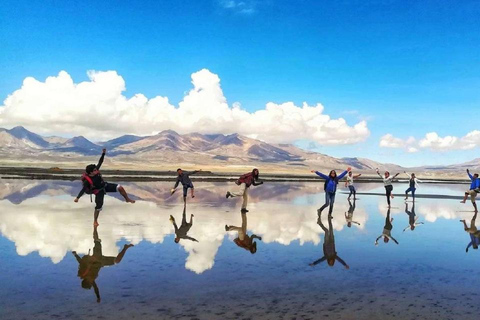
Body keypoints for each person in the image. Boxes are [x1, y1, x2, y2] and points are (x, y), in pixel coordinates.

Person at [72, 225, 134, 303]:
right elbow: (96, 288)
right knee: (117, 261)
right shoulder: (92, 280)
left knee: (97, 241)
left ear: (87, 280)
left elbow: (80, 261)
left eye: (91, 282)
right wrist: (98, 297)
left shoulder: (83, 272)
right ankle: (125, 248)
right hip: (101, 263)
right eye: (92, 283)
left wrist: (75, 254)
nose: (93, 281)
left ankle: (95, 227)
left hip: (96, 257)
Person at [74, 149, 135, 226]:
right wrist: (77, 198)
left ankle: (127, 199)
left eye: (96, 169)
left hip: (105, 186)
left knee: (120, 187)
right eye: (95, 170)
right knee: (99, 206)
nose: (97, 171)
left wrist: (103, 154)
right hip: (98, 191)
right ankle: (95, 221)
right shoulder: (87, 181)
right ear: (91, 172)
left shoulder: (96, 171)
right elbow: (83, 190)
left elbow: (100, 162)